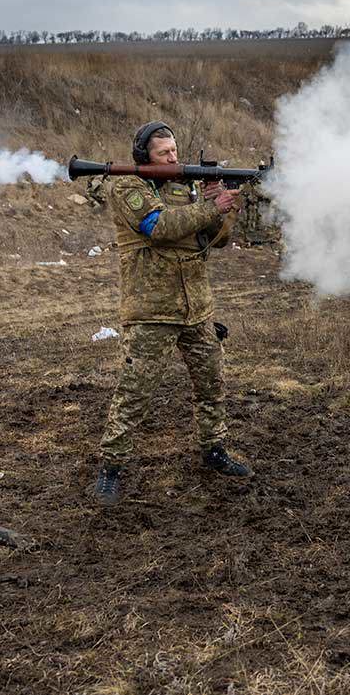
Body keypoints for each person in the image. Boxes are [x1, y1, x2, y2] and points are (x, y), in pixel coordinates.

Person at [92, 121, 253, 506]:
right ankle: (110, 468)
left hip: (196, 307)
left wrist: (220, 209)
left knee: (211, 385)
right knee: (135, 393)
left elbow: (217, 240)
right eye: (164, 153)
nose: (173, 158)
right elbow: (159, 226)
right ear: (144, 155)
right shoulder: (127, 186)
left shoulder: (186, 187)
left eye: (175, 151)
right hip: (151, 309)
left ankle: (214, 449)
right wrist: (208, 206)